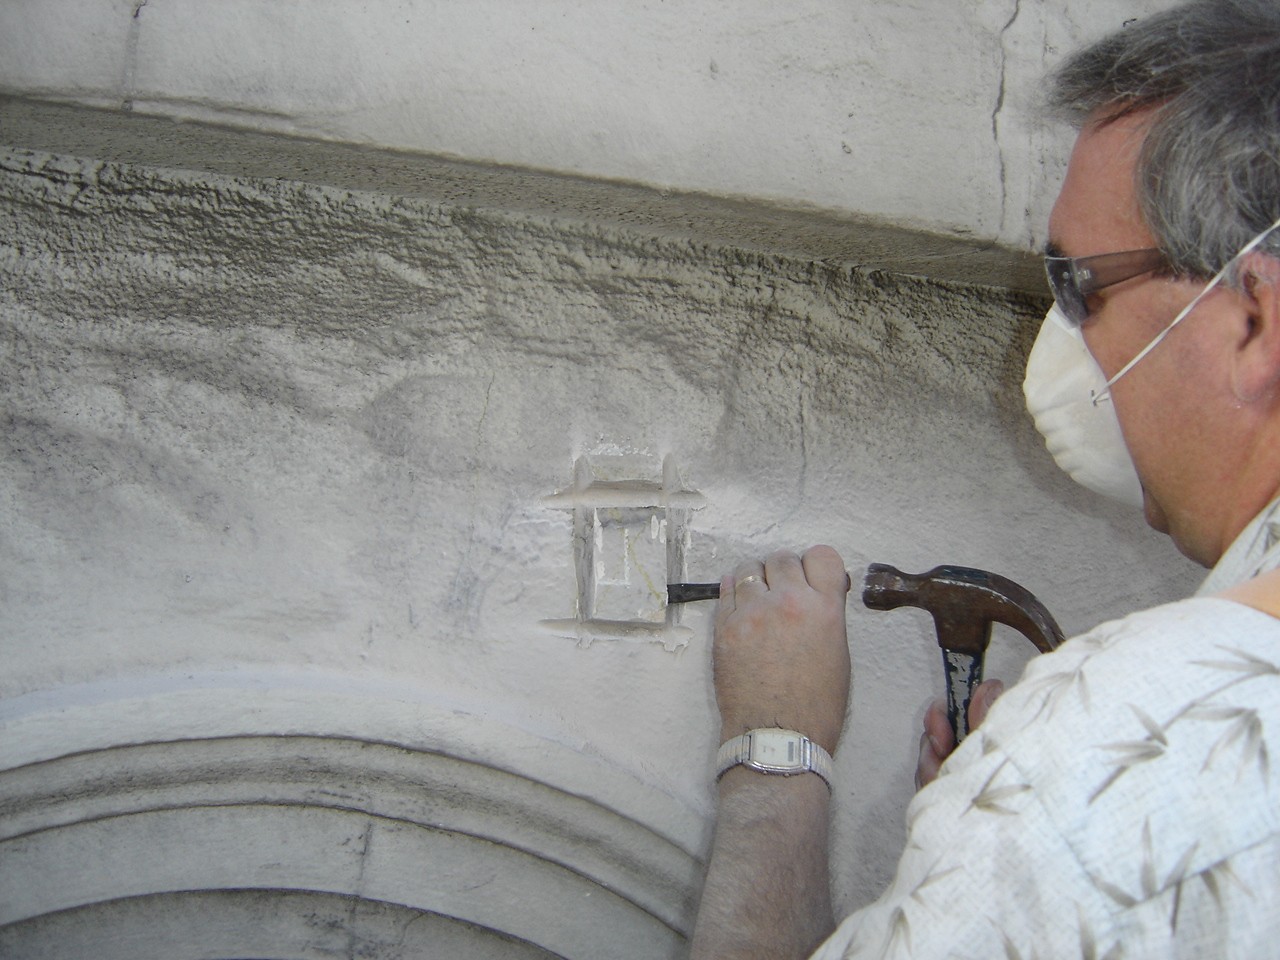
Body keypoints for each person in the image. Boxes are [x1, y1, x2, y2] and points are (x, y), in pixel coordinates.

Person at [689, 2, 1280, 957]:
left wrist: (776, 750)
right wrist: (1000, 848)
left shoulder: (1121, 739)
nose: (1063, 338)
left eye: (1083, 285)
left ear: (1254, 323)